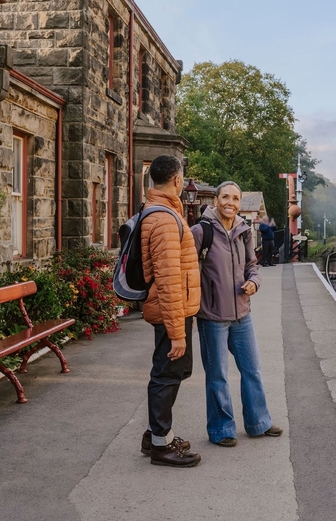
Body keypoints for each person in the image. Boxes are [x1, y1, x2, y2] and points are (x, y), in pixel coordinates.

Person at [191, 181, 282, 446]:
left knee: (252, 369)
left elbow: (252, 265)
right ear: (216, 200)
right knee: (218, 375)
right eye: (226, 197)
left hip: (242, 313)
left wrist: (254, 282)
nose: (231, 203)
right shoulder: (200, 231)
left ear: (240, 202)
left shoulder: (244, 231)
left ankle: (258, 423)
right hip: (212, 316)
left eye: (236, 198)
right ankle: (222, 429)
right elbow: (187, 269)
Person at [140, 155, 202, 467]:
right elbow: (168, 280)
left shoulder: (160, 212)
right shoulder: (164, 219)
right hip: (171, 312)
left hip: (175, 309)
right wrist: (178, 333)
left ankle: (154, 435)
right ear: (177, 181)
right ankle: (161, 446)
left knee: (176, 371)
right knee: (167, 373)